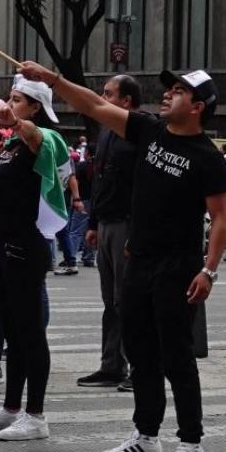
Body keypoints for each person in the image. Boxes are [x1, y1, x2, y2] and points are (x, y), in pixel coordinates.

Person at [21, 61, 226, 452]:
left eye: (180, 92)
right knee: (140, 350)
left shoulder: (207, 157)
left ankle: (192, 444)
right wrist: (54, 80)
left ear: (199, 107)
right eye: (170, 89)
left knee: (177, 357)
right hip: (140, 261)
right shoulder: (149, 131)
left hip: (178, 267)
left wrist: (208, 271)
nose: (169, 95)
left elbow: (221, 218)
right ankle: (146, 435)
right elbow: (97, 107)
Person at [0, 77, 68, 440]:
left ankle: (36, 416)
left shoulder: (44, 140)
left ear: (35, 107)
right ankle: (10, 408)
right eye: (9, 98)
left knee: (30, 334)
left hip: (25, 248)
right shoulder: (7, 144)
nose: (9, 104)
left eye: (18, 99)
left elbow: (39, 140)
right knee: (11, 333)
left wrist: (16, 122)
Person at [75, 74, 141, 390]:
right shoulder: (106, 133)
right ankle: (111, 365)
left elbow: (143, 188)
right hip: (106, 224)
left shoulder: (140, 133)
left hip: (128, 225)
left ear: (126, 101)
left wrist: (137, 233)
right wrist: (92, 223)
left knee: (127, 301)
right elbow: (101, 180)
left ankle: (138, 368)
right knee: (110, 301)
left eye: (109, 93)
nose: (103, 98)